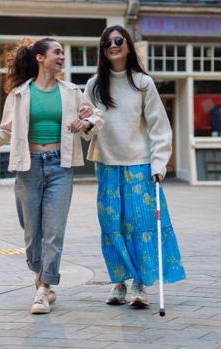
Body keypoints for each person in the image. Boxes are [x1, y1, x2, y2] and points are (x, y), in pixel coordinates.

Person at [0, 37, 103, 315]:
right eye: (56, 52)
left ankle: (44, 288)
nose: (62, 57)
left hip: (61, 165)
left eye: (62, 53)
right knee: (32, 231)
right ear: (40, 58)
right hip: (28, 166)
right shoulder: (19, 94)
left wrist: (87, 121)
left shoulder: (71, 92)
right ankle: (39, 273)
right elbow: (5, 132)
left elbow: (96, 117)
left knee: (54, 230)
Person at [82, 25, 185, 309]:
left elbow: (159, 127)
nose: (112, 45)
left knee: (141, 226)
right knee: (111, 226)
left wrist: (160, 163)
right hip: (107, 164)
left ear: (128, 45)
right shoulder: (93, 86)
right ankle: (119, 281)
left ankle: (140, 283)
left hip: (140, 165)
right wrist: (84, 126)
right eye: (107, 42)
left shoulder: (142, 83)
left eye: (118, 40)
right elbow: (88, 128)